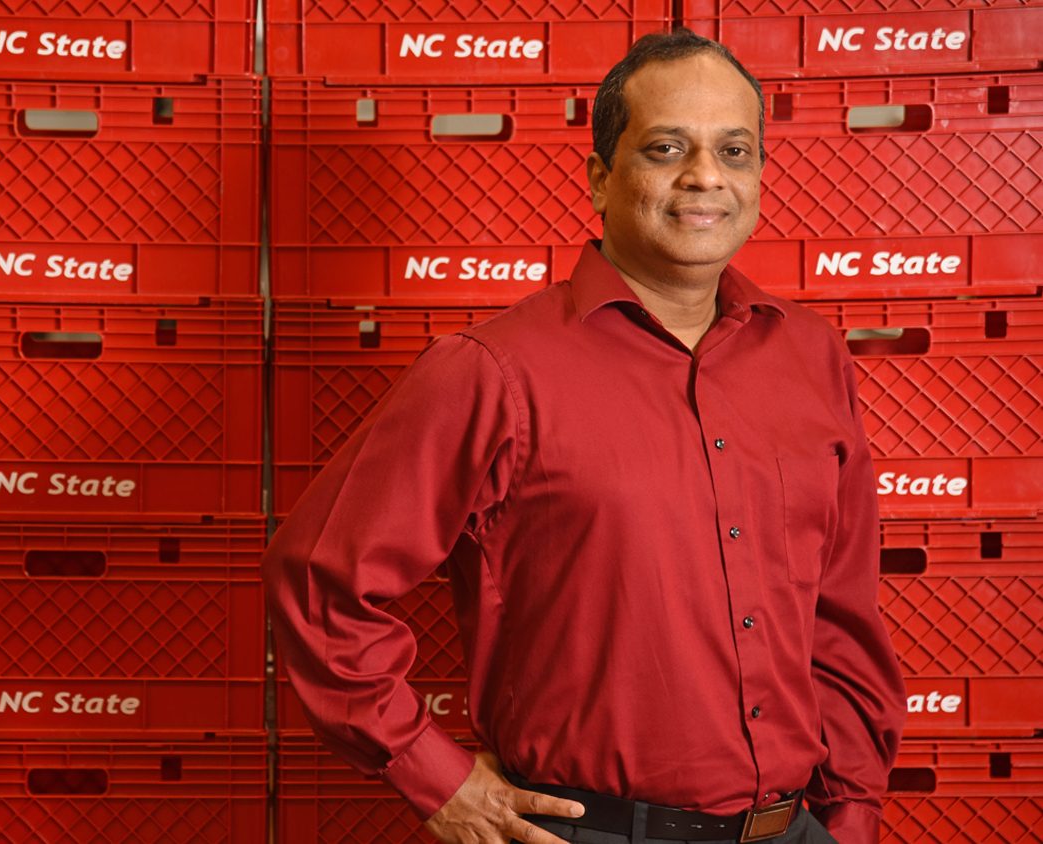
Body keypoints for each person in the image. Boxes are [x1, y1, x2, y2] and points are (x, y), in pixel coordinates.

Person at [262, 29, 906, 844]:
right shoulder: (493, 369)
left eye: (734, 151)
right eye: (667, 147)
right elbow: (320, 580)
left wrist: (849, 814)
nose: (706, 176)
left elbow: (840, 611)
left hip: (795, 829)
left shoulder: (812, 357)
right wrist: (435, 777)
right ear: (602, 177)